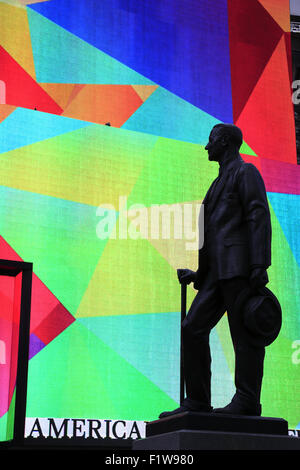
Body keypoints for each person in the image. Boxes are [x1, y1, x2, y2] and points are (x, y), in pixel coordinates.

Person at [159, 123, 280, 419]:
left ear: (225, 142)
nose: (206, 146)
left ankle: (248, 400)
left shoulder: (245, 172)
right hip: (215, 274)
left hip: (239, 269)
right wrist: (198, 275)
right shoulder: (215, 185)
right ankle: (198, 401)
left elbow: (258, 215)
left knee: (244, 336)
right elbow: (213, 235)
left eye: (211, 140)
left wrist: (258, 264)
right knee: (192, 328)